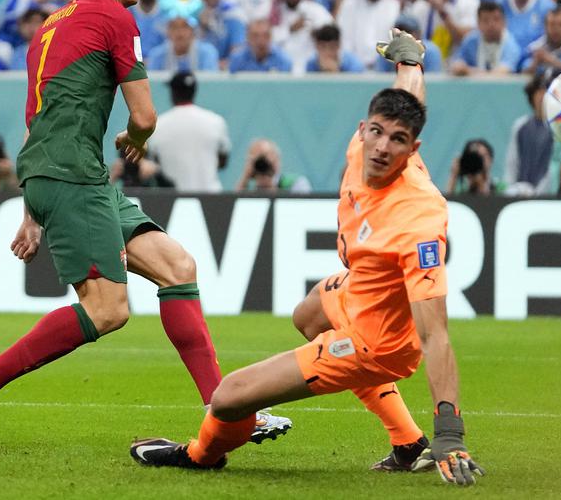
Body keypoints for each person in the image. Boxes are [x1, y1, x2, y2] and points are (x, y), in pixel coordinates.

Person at [0, 0, 292, 450]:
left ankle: (223, 408)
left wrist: (33, 209)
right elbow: (145, 116)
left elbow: (38, 121)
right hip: (74, 176)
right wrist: (136, 139)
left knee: (178, 267)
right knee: (107, 311)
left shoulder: (49, 25)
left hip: (64, 173)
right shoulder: (114, 17)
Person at [133, 31, 483, 485]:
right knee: (309, 314)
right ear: (363, 128)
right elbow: (408, 99)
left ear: (412, 150)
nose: (382, 147)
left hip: (377, 343)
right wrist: (410, 62)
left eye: (398, 140)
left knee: (229, 397)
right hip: (357, 292)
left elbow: (435, 335)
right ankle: (407, 444)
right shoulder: (366, 149)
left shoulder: (418, 222)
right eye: (376, 132)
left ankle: (201, 455)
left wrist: (450, 432)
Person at [149, 71, 230, 193]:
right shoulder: (216, 121)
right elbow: (223, 161)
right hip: (211, 196)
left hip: (174, 198)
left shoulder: (158, 125)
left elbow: (155, 163)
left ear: (173, 93)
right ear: (194, 92)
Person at [337, 0, 402, 68]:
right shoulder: (349, 4)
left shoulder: (394, 6)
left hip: (384, 67)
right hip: (353, 67)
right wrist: (353, 64)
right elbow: (344, 39)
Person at [503, 73, 555, 196]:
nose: (542, 97)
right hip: (520, 194)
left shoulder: (557, 129)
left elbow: (553, 167)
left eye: (547, 92)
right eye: (539, 92)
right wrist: (511, 190)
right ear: (532, 96)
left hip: (546, 196)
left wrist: (539, 193)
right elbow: (512, 162)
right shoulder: (520, 125)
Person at [271, 0, 332, 67]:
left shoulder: (317, 11)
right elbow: (265, 39)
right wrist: (289, 30)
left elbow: (331, 36)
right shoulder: (274, 12)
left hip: (311, 68)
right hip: (281, 68)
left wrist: (317, 34)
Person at [449, 1, 521, 76]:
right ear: (478, 23)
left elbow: (501, 73)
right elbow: (456, 65)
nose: (491, 24)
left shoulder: (511, 45)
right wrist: (459, 67)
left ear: (504, 22)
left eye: (496, 19)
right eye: (486, 20)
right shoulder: (471, 41)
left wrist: (468, 71)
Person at [233, 138, 311, 193]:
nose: (262, 164)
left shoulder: (295, 183)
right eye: (257, 160)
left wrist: (270, 183)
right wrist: (245, 178)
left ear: (277, 160)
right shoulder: (248, 191)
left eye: (264, 158)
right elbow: (233, 204)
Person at [228, 18, 293, 73]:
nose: (260, 41)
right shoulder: (236, 60)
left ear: (271, 37)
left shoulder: (283, 61)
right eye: (255, 36)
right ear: (247, 38)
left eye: (266, 36)